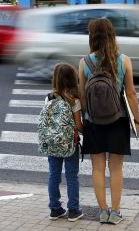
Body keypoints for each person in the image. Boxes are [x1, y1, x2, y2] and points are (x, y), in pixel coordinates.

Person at [78, 18, 139, 225]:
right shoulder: (124, 60)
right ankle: (115, 212)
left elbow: (81, 95)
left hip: (93, 121)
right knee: (116, 168)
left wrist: (85, 120)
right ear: (112, 35)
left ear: (91, 37)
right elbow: (131, 93)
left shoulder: (84, 62)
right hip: (118, 119)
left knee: (97, 168)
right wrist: (137, 121)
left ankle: (102, 211)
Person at [46, 63, 84, 222]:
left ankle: (55, 208)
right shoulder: (74, 100)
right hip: (70, 144)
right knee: (71, 176)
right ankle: (73, 210)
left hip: (53, 143)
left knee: (53, 174)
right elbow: (78, 126)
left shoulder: (49, 97)